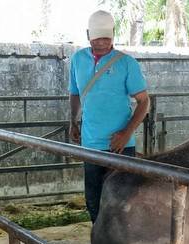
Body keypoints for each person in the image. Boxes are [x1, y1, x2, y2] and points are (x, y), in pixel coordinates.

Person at [69, 10, 150, 222]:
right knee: (94, 201)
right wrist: (73, 121)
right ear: (88, 35)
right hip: (91, 144)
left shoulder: (126, 63)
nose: (102, 43)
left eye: (107, 38)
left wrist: (126, 133)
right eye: (97, 38)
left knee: (123, 202)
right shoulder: (78, 59)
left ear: (113, 35)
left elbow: (144, 101)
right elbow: (75, 93)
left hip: (121, 146)